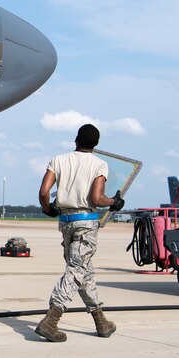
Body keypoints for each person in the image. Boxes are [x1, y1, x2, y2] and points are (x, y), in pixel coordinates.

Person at [35, 124, 124, 342]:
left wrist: (49, 209)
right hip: (86, 224)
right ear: (96, 144)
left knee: (83, 272)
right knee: (76, 270)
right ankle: (51, 320)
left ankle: (100, 321)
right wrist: (114, 202)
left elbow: (44, 192)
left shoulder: (58, 160)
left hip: (65, 222)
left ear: (76, 140)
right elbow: (96, 199)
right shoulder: (99, 164)